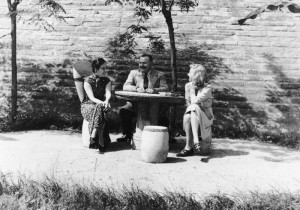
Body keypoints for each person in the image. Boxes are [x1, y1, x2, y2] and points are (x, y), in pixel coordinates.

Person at [117, 54, 169, 142]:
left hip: (153, 104)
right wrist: (136, 89)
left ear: (151, 63)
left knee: (162, 115)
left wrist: (155, 90)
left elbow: (166, 88)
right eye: (140, 63)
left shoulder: (159, 74)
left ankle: (162, 137)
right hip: (135, 104)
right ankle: (127, 134)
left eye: (144, 63)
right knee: (124, 111)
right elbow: (126, 86)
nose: (141, 65)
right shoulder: (134, 73)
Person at [176, 64, 214, 157]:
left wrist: (192, 90)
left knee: (194, 107)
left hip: (206, 115)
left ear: (196, 75)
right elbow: (188, 102)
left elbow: (193, 101)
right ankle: (189, 147)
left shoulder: (207, 87)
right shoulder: (187, 85)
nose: (188, 74)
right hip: (193, 112)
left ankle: (195, 141)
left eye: (190, 73)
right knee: (190, 113)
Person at [81, 58, 112, 153]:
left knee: (100, 108)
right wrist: (103, 103)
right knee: (100, 108)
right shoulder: (87, 81)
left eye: (106, 68)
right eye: (103, 68)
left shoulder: (107, 80)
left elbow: (108, 92)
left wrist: (106, 100)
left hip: (101, 105)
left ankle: (93, 136)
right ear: (95, 68)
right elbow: (91, 98)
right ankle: (101, 141)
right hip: (88, 105)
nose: (105, 70)